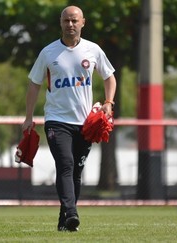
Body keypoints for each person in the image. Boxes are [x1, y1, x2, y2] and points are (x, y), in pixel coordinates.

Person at [22, 5, 116, 232]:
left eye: (74, 20)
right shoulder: (48, 52)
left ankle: (64, 220)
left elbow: (109, 77)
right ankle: (72, 213)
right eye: (66, 21)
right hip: (56, 120)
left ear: (83, 22)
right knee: (66, 164)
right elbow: (34, 85)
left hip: (85, 123)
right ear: (60, 23)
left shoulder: (93, 50)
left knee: (75, 172)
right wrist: (28, 117)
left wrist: (108, 102)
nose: (70, 25)